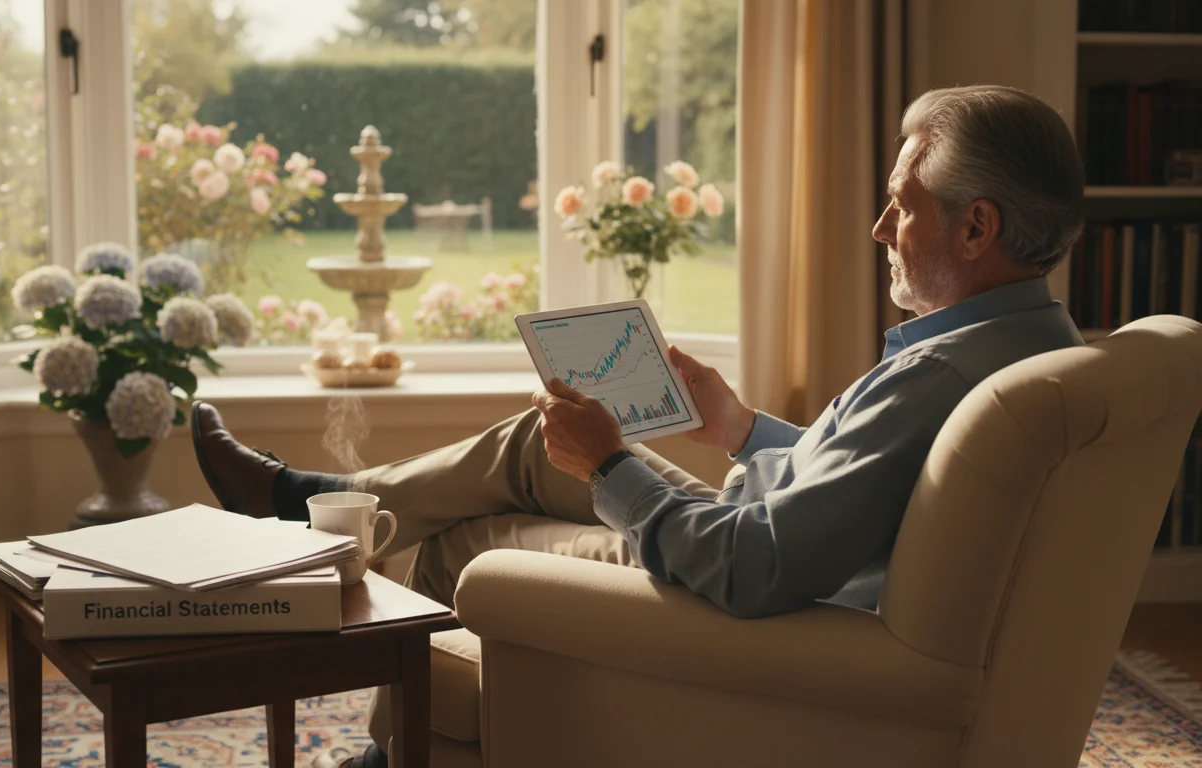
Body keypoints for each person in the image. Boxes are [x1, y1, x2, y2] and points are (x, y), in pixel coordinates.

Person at [190, 84, 1086, 768]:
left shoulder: (938, 376)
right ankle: (319, 502)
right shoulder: (1032, 346)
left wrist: (615, 463)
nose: (882, 225)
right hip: (776, 551)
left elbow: (752, 568)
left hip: (751, 605)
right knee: (526, 447)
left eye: (903, 202)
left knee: (469, 546)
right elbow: (871, 489)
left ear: (977, 227)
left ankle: (389, 747)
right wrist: (741, 427)